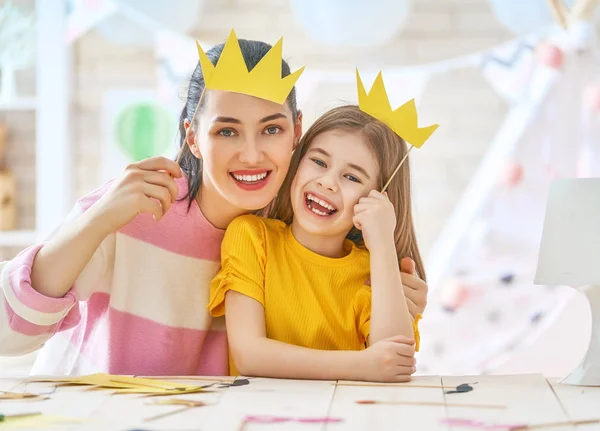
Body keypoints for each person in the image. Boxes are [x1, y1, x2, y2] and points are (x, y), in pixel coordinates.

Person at [0, 34, 427, 377]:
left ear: (296, 131)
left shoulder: (291, 230)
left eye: (271, 129)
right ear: (192, 136)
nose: (251, 154)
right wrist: (98, 220)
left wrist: (390, 285)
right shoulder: (135, 208)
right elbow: (8, 336)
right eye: (227, 131)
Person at [209, 76, 429, 382]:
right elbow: (249, 355)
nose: (328, 182)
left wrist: (382, 246)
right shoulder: (251, 237)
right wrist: (362, 365)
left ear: (378, 201)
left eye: (352, 177)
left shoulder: (374, 271)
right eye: (319, 162)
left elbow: (395, 358)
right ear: (298, 163)